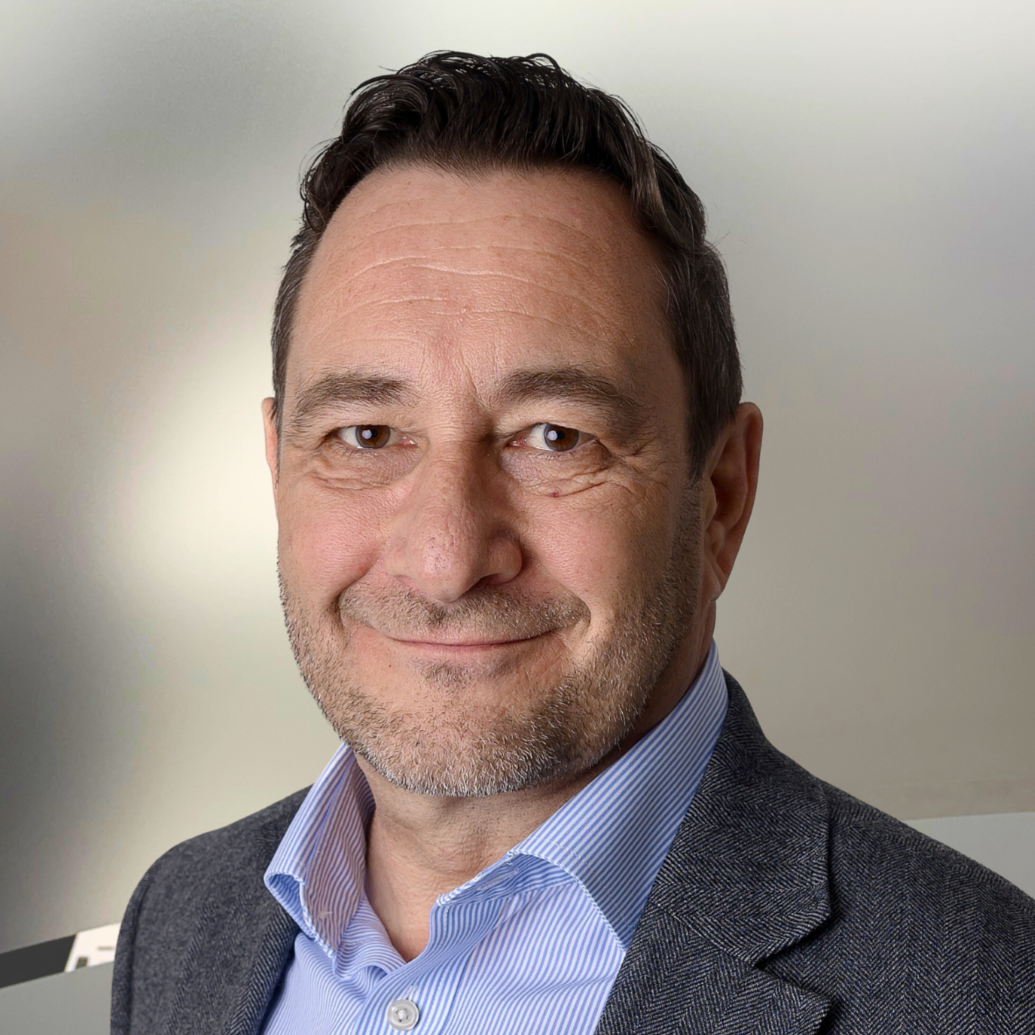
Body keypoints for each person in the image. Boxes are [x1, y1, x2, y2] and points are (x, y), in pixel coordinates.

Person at [110, 52, 1035, 1034]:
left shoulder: (984, 995)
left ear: (721, 494)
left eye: (555, 437)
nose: (446, 560)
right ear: (277, 468)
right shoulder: (183, 918)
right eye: (366, 436)